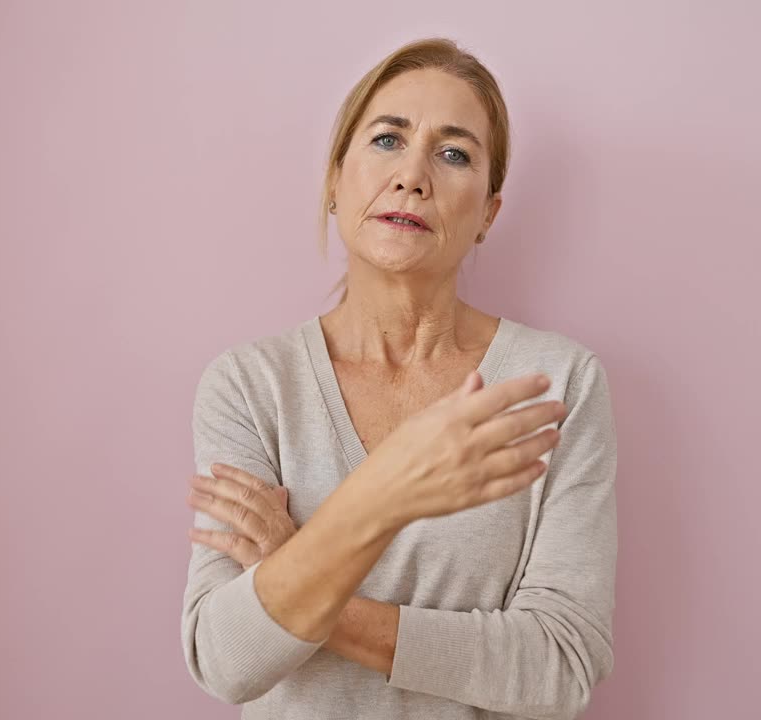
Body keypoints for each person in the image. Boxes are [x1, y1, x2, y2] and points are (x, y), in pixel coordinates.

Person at [180, 37, 618, 720]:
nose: (413, 175)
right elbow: (225, 657)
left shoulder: (555, 383)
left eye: (453, 154)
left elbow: (559, 667)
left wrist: (300, 569)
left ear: (489, 215)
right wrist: (385, 498)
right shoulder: (250, 385)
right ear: (333, 180)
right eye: (387, 139)